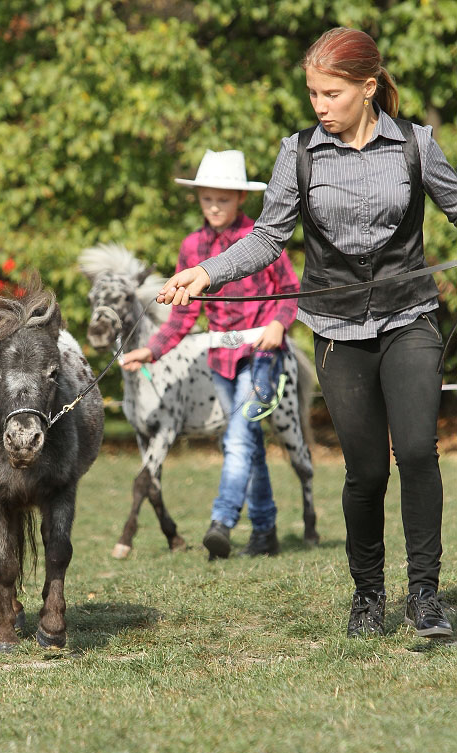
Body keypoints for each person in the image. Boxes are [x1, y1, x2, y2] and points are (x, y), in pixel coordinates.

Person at [158, 27, 457, 639]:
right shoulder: (298, 154)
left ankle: (425, 596)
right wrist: (205, 274)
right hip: (337, 328)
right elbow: (269, 236)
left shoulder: (416, 146)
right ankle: (368, 596)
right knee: (368, 470)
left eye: (332, 93)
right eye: (313, 94)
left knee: (420, 454)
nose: (319, 106)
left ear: (367, 87)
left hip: (409, 317)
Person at [122, 149, 300, 559]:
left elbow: (290, 291)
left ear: (241, 199)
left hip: (262, 354)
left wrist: (279, 324)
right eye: (207, 198)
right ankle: (266, 529)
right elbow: (183, 318)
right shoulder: (192, 246)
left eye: (223, 198)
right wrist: (150, 351)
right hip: (220, 358)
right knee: (247, 442)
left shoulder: (262, 237)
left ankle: (221, 521)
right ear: (199, 199)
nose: (215, 206)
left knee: (237, 438)